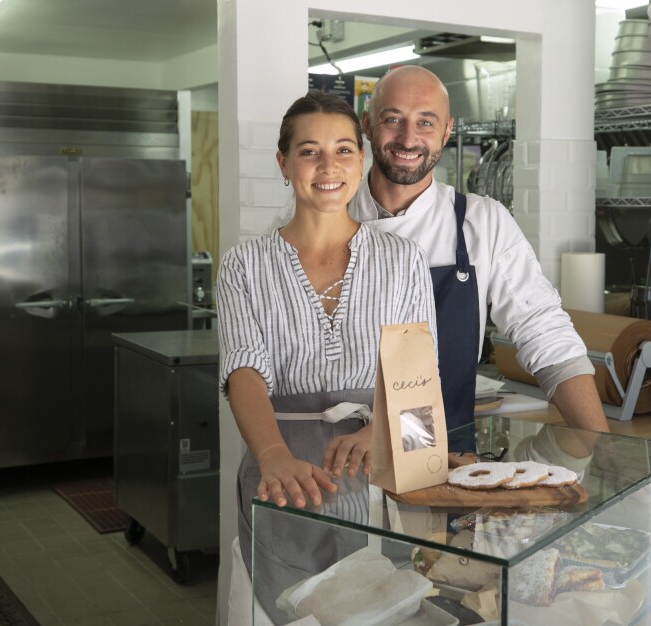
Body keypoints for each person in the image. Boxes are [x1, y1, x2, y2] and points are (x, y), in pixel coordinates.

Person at [216, 91, 438, 623]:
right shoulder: (244, 265)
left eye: (343, 150)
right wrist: (272, 455)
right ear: (283, 163)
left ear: (361, 161)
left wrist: (381, 431)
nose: (328, 166)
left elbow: (418, 378)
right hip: (285, 476)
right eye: (309, 151)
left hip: (381, 474)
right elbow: (244, 368)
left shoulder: (403, 259)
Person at [348, 65, 610, 434]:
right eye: (393, 119)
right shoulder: (324, 220)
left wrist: (599, 446)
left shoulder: (481, 221)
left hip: (444, 451)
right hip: (335, 454)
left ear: (447, 130)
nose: (408, 139)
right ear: (366, 122)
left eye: (426, 122)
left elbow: (544, 331)